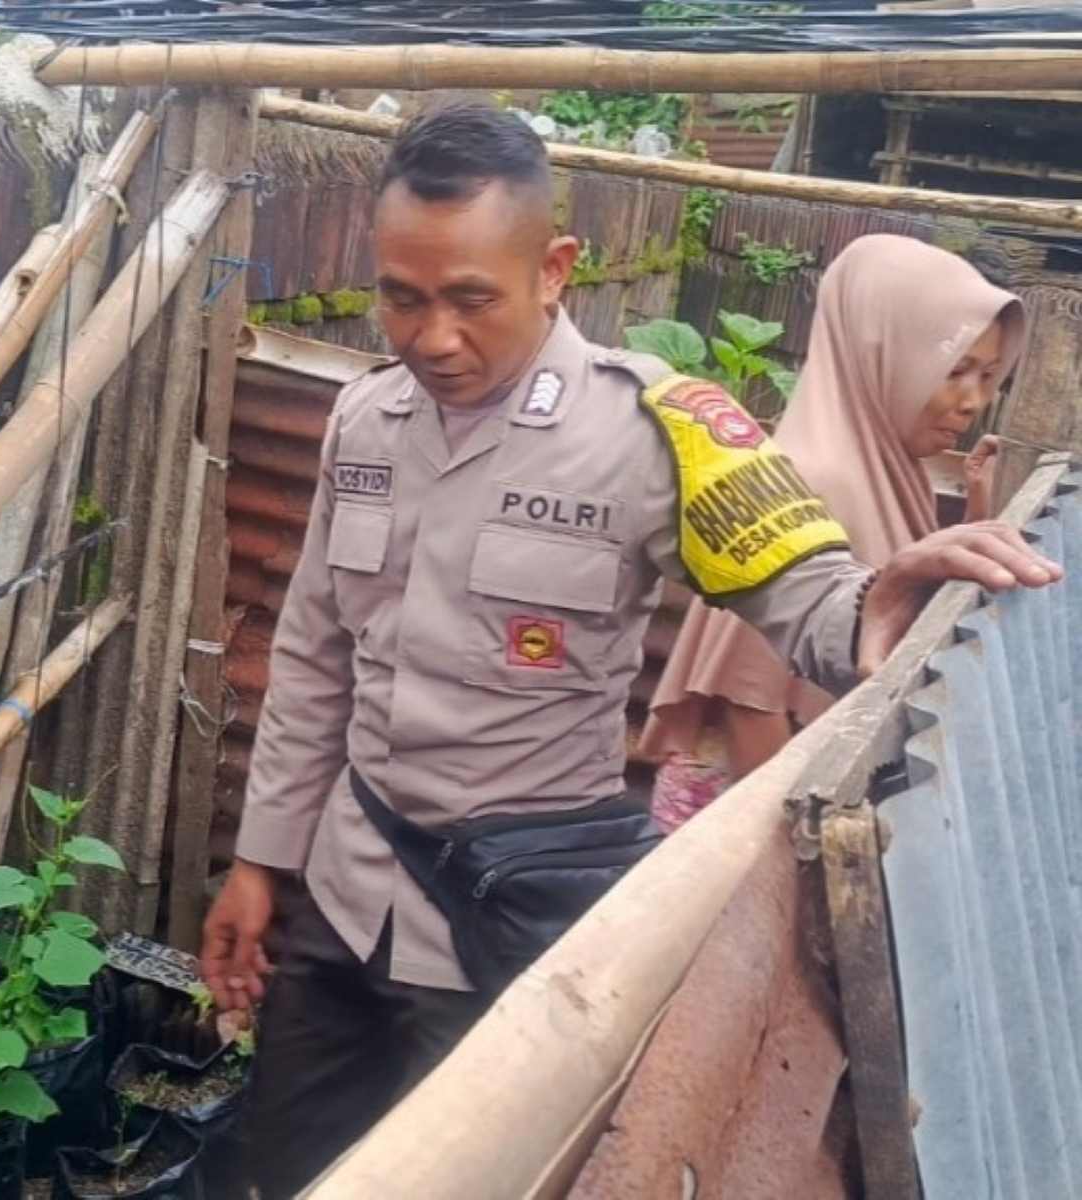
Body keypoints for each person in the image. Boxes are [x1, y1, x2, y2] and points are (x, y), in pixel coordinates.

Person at [198, 103, 1060, 1198]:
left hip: (512, 928)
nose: (432, 339)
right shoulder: (367, 423)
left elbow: (825, 610)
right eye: (401, 299)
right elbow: (317, 657)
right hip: (347, 891)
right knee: (283, 1172)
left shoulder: (662, 428)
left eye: (470, 299)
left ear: (554, 267)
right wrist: (262, 862)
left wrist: (884, 604)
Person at [637, 234, 1026, 832]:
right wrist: (800, 849)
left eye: (988, 375)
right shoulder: (811, 479)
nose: (973, 401)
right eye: (953, 372)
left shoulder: (889, 470)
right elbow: (749, 705)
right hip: (741, 825)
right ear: (882, 357)